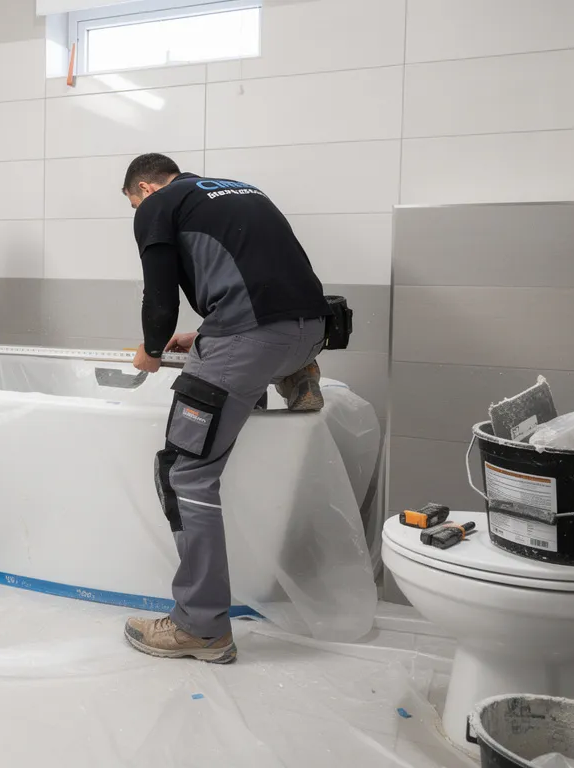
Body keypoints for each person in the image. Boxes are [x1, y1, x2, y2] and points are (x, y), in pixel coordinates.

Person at [120, 153, 331, 662]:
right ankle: (298, 376)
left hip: (250, 340)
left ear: (145, 188)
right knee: (242, 369)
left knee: (183, 473)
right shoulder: (240, 188)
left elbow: (160, 299)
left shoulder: (156, 206)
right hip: (310, 330)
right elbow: (263, 274)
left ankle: (201, 625)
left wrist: (150, 349)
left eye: (132, 201)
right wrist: (213, 331)